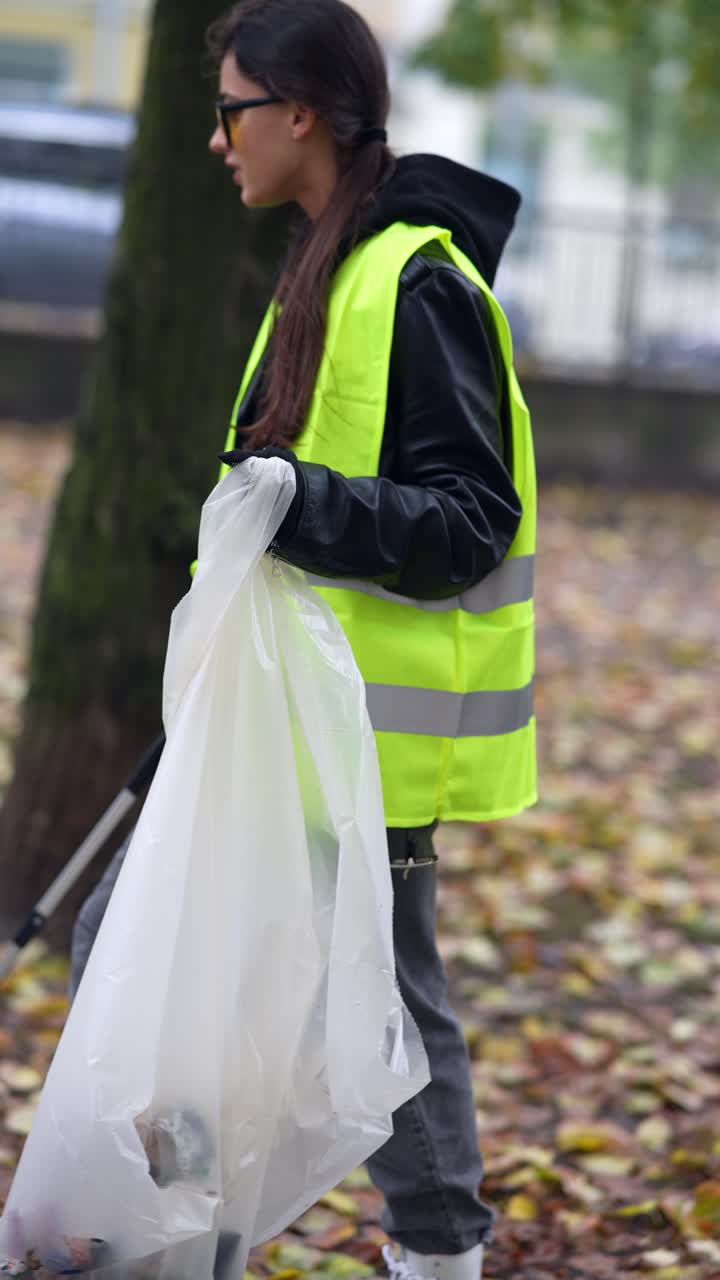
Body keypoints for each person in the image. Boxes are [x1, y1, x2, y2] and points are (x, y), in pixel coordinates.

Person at [70, 2, 538, 1278]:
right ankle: (194, 1216)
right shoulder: (326, 264)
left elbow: (472, 515)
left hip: (362, 731)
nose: (215, 139)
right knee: (131, 935)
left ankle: (426, 1250)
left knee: (378, 994)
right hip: (284, 711)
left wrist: (300, 501)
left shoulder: (416, 279)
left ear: (298, 112)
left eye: (228, 110)